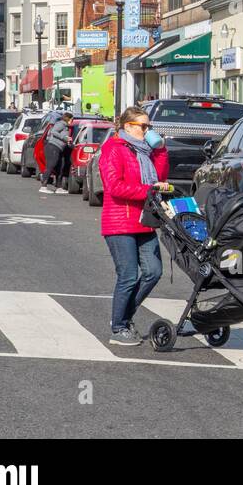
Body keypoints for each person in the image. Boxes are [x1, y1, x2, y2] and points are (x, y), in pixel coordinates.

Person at [98, 105, 173, 346]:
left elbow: (159, 176)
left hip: (144, 221)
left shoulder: (145, 150)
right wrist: (148, 191)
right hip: (120, 222)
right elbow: (114, 187)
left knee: (153, 272)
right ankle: (119, 327)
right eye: (144, 126)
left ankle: (125, 316)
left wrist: (160, 150)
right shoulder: (113, 149)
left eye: (149, 126)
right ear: (128, 126)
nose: (148, 130)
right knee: (128, 275)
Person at [38, 110, 74, 195]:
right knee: (51, 165)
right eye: (72, 119)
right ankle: (43, 186)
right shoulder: (61, 124)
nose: (72, 121)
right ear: (68, 119)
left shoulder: (66, 127)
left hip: (60, 149)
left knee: (60, 167)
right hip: (53, 147)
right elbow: (53, 132)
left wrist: (68, 142)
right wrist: (65, 138)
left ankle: (59, 187)